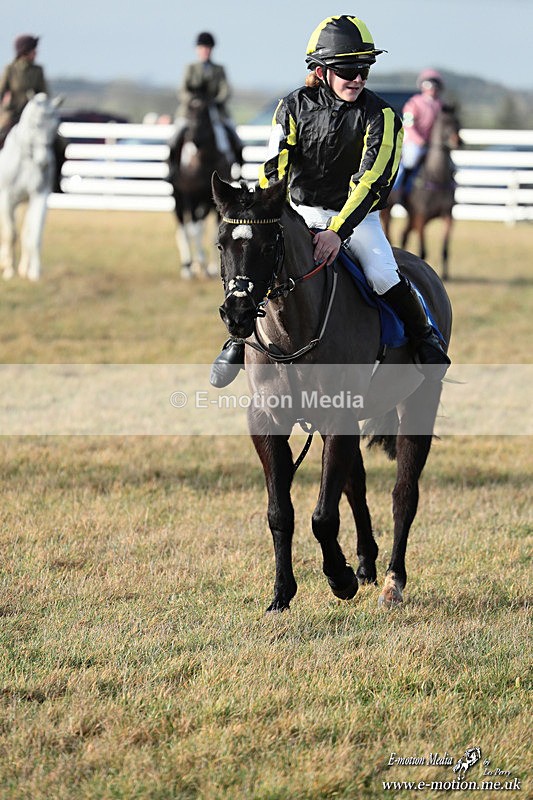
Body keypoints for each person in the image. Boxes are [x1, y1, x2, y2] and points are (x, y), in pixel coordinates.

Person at [210, 15, 450, 388]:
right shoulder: (291, 107)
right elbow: (275, 168)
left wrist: (337, 231)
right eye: (348, 70)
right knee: (261, 264)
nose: (358, 78)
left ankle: (424, 337)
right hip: (299, 211)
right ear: (321, 71)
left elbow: (373, 181)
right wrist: (278, 213)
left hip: (356, 218)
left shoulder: (382, 116)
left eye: (364, 70)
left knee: (383, 274)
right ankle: (239, 340)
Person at [169, 31, 242, 173]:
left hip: (214, 111)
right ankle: (173, 169)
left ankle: (237, 169)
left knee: (233, 134)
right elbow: (182, 90)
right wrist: (194, 101)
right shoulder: (190, 68)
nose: (205, 51)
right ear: (197, 50)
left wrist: (215, 102)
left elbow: (225, 90)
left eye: (208, 48)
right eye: (203, 48)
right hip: (192, 112)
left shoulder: (219, 69)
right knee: (176, 137)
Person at [0, 34, 65, 191]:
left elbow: (44, 93)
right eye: (33, 50)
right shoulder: (11, 69)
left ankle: (55, 182)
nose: (36, 53)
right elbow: (1, 92)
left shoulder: (38, 70)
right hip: (14, 115)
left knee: (61, 144)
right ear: (24, 51)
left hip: (35, 119)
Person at [394, 68, 445, 201]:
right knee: (410, 160)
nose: (432, 88)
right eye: (429, 84)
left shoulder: (440, 105)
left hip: (432, 144)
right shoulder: (414, 103)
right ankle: (397, 189)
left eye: (435, 85)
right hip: (413, 141)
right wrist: (419, 140)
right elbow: (408, 125)